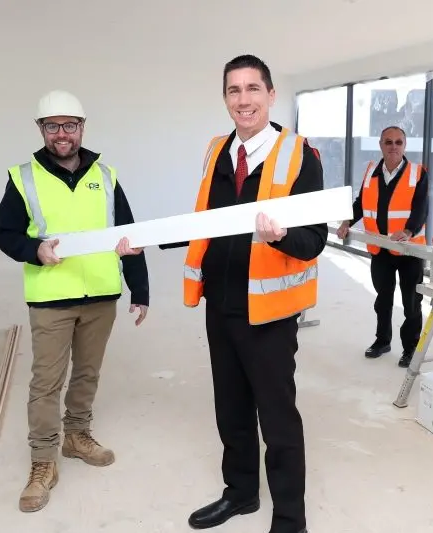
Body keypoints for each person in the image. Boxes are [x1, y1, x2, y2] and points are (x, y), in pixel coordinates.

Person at [160, 55, 324, 533]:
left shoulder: (300, 156)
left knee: (277, 419)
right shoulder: (217, 150)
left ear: (271, 95)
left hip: (269, 312)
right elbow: (204, 222)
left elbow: (313, 240)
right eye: (234, 90)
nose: (244, 99)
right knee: (230, 407)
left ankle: (291, 520)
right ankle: (241, 494)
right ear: (226, 99)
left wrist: (280, 237)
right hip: (222, 302)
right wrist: (146, 242)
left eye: (253, 88)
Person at [0, 89, 150, 513]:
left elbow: (130, 238)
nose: (62, 134)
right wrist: (34, 251)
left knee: (88, 374)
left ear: (82, 128)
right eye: (52, 126)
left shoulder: (107, 176)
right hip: (51, 297)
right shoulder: (23, 177)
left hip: (101, 294)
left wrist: (141, 290)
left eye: (70, 125)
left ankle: (77, 436)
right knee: (46, 382)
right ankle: (44, 460)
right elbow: (4, 233)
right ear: (41, 130)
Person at [336, 126, 428, 368]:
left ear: (404, 145)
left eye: (398, 142)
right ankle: (382, 341)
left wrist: (408, 231)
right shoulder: (371, 172)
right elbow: (361, 202)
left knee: (411, 302)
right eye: (388, 142)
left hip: (409, 250)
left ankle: (410, 349)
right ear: (381, 144)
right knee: (383, 298)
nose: (393, 146)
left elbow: (421, 208)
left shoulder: (417, 173)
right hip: (380, 249)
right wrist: (347, 221)